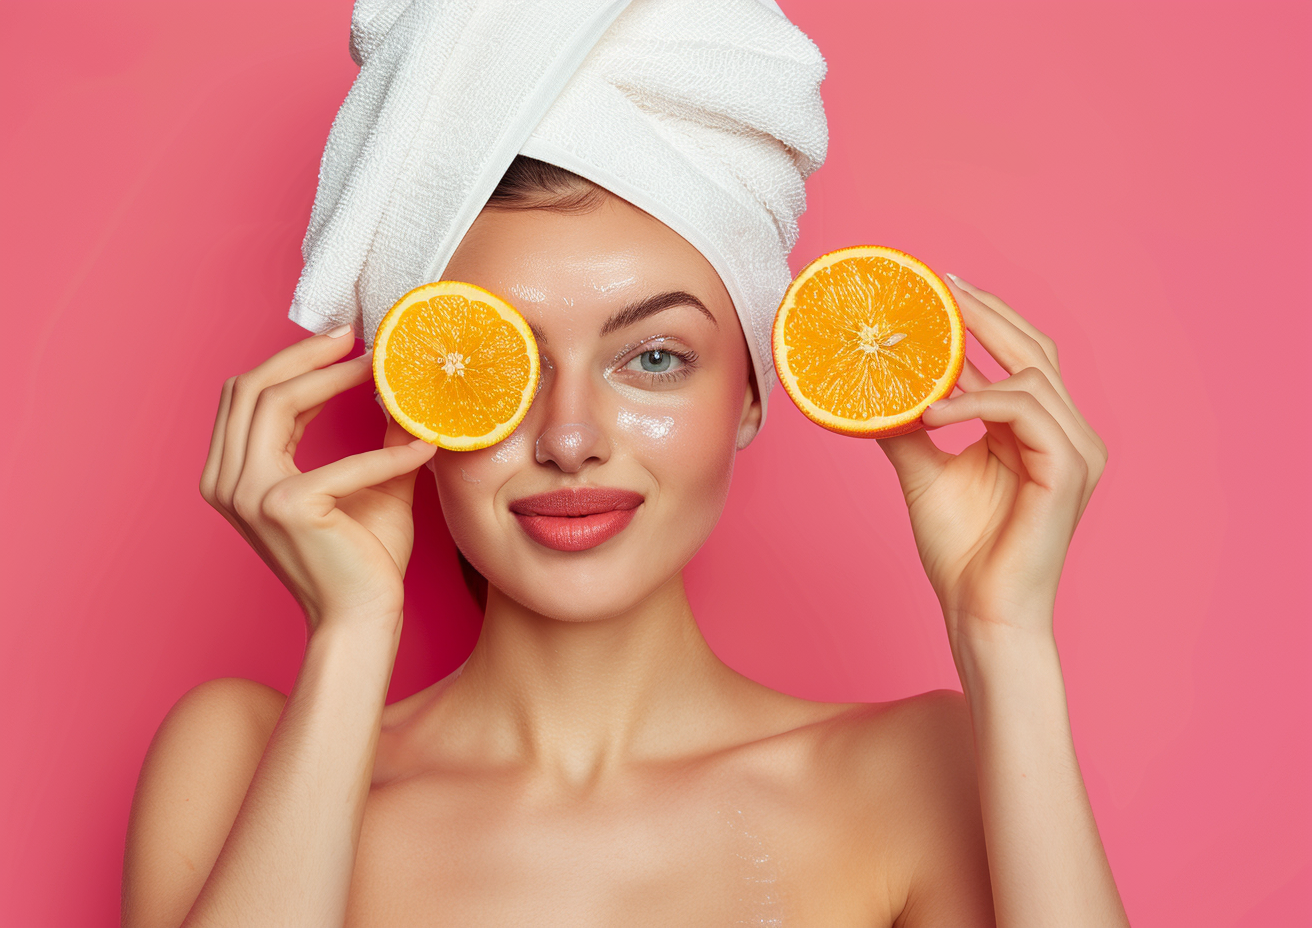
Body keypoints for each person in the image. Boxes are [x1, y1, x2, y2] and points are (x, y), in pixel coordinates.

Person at [122, 3, 1128, 926]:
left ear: (747, 391)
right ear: (414, 390)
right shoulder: (244, 762)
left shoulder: (913, 775)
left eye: (653, 358)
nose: (570, 437)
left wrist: (1005, 636)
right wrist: (351, 638)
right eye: (500, 362)